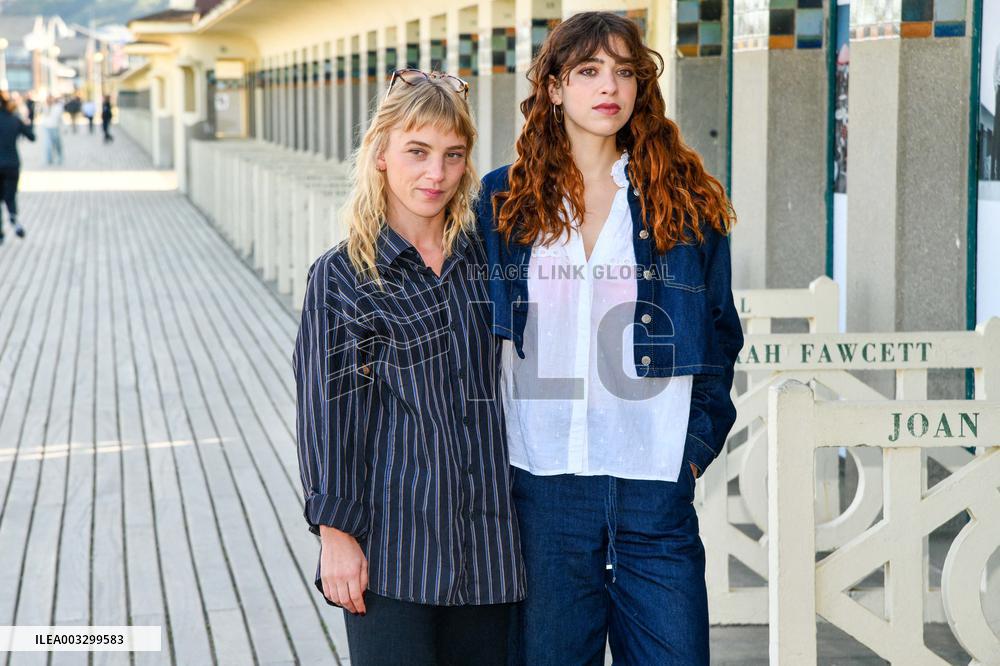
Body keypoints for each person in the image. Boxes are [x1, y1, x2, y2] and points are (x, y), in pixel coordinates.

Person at [477, 12, 743, 665]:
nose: (609, 86)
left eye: (625, 71)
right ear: (554, 88)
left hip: (653, 482)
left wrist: (692, 452)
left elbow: (720, 333)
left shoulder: (683, 201)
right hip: (541, 485)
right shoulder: (503, 200)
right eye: (589, 70)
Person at [294, 69, 525, 666]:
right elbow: (328, 414)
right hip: (393, 554)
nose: (436, 174)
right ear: (380, 154)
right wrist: (335, 535)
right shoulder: (343, 276)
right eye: (417, 152)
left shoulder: (489, 262)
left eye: (453, 155)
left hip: (492, 551)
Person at [0, 91, 35, 245]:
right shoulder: (14, 119)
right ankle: (13, 217)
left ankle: (0, 233)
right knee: (11, 195)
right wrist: (28, 123)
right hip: (12, 164)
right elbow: (32, 137)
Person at [41, 96, 64, 165]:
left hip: (55, 127)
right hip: (47, 127)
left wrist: (64, 127)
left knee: (57, 143)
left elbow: (59, 118)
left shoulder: (57, 107)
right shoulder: (44, 107)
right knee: (48, 144)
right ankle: (49, 159)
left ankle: (60, 156)